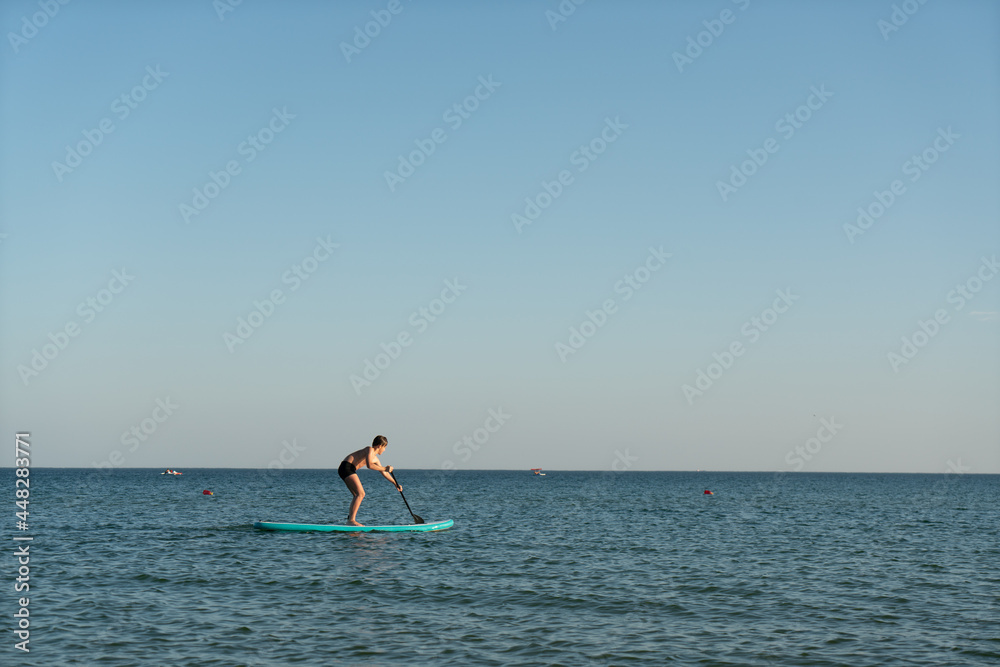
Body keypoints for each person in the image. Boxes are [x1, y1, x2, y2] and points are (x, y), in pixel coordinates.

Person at [338, 435, 402, 526]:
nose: (385, 450)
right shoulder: (369, 449)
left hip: (347, 469)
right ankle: (351, 521)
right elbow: (369, 465)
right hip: (346, 467)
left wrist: (395, 484)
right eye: (385, 447)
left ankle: (349, 520)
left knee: (357, 495)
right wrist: (385, 468)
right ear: (380, 446)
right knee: (361, 494)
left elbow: (384, 473)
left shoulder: (376, 459)